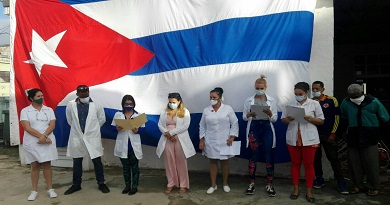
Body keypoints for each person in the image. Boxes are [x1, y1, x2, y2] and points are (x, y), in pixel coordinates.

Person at [340, 84, 390, 196]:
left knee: (371, 164)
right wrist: (339, 133)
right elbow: (343, 118)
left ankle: (373, 186)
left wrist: (383, 135)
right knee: (354, 164)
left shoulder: (374, 102)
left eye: (357, 96)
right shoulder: (346, 102)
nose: (355, 99)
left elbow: (385, 118)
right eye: (353, 97)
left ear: (362, 93)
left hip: (370, 137)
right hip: (353, 136)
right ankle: (357, 185)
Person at [281, 82, 324, 203]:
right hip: (293, 137)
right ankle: (296, 189)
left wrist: (311, 118)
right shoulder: (290, 103)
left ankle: (309, 191)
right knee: (295, 164)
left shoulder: (314, 104)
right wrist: (288, 119)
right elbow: (283, 120)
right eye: (296, 94)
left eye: (300, 94)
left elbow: (321, 121)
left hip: (309, 139)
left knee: (309, 165)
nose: (298, 96)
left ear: (306, 93)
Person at [64, 85, 110, 195]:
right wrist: (80, 131)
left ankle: (101, 183)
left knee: (97, 160)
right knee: (77, 161)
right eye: (82, 93)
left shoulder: (97, 105)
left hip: (92, 136)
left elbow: (102, 119)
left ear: (89, 92)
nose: (84, 95)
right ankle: (76, 185)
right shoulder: (71, 105)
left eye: (86, 93)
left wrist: (91, 130)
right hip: (77, 136)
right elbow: (70, 120)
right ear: (77, 94)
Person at [242, 74, 278, 196]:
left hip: (267, 128)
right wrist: (249, 115)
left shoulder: (272, 100)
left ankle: (270, 184)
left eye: (261, 88)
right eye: (257, 87)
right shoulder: (248, 100)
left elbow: (274, 119)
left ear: (266, 87)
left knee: (268, 156)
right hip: (254, 129)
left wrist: (270, 114)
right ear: (254, 87)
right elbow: (244, 117)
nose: (259, 90)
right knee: (253, 156)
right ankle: (251, 184)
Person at [20, 88, 58, 201]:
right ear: (31, 98)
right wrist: (41, 137)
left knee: (47, 164)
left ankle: (50, 189)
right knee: (35, 165)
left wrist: (44, 136)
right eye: (38, 96)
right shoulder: (25, 111)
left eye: (42, 96)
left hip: (47, 140)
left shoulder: (49, 110)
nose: (41, 98)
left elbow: (52, 125)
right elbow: (26, 127)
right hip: (33, 142)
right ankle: (34, 191)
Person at [199, 87, 239, 194]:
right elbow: (202, 126)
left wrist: (232, 136)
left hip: (225, 140)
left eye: (214, 97)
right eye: (211, 97)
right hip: (210, 140)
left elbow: (234, 123)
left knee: (224, 163)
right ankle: (213, 185)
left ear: (220, 98)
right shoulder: (206, 110)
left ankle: (225, 183)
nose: (212, 99)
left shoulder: (228, 109)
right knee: (213, 162)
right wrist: (201, 139)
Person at [311, 81, 349, 194]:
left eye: (317, 89)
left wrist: (333, 133)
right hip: (314, 136)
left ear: (323, 89)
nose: (315, 91)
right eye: (313, 89)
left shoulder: (332, 100)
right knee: (316, 159)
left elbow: (337, 117)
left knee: (333, 159)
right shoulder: (311, 102)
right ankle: (319, 179)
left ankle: (341, 182)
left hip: (329, 135)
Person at [156, 93, 196, 194]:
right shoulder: (164, 112)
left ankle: (183, 184)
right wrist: (168, 135)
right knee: (169, 162)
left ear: (179, 102)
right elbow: (160, 124)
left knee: (181, 162)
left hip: (180, 138)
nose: (171, 104)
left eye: (173, 102)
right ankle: (171, 183)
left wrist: (171, 133)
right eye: (170, 102)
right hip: (167, 138)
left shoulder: (185, 112)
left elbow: (185, 126)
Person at [111, 95, 145, 195]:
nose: (129, 105)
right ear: (123, 104)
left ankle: (134, 187)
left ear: (134, 104)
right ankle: (127, 186)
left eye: (130, 104)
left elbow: (143, 129)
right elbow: (112, 127)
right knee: (125, 167)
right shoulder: (118, 114)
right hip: (122, 144)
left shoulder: (138, 116)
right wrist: (117, 128)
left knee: (134, 167)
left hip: (133, 145)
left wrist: (137, 130)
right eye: (126, 104)